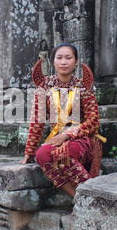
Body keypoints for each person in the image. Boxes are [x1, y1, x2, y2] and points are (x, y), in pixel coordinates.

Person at [21, 43, 105, 198]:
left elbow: (94, 121)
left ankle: (92, 195)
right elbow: (37, 121)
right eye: (59, 58)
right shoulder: (45, 87)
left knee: (63, 152)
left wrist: (68, 135)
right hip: (58, 138)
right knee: (42, 155)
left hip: (83, 139)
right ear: (53, 61)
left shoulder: (83, 87)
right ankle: (79, 198)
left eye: (68, 57)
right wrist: (30, 151)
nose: (63, 62)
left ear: (76, 61)